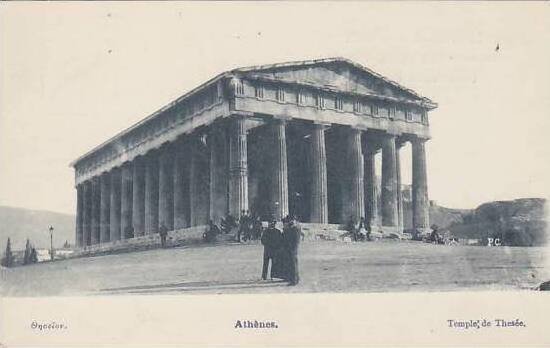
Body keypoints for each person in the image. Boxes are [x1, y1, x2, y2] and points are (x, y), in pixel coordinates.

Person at [283, 215, 301, 286]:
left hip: (292, 249)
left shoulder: (295, 228)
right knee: (293, 264)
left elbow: (295, 240)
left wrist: (291, 248)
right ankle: (295, 278)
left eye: (292, 220)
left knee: (293, 264)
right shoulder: (293, 228)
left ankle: (294, 280)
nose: (290, 222)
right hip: (291, 248)